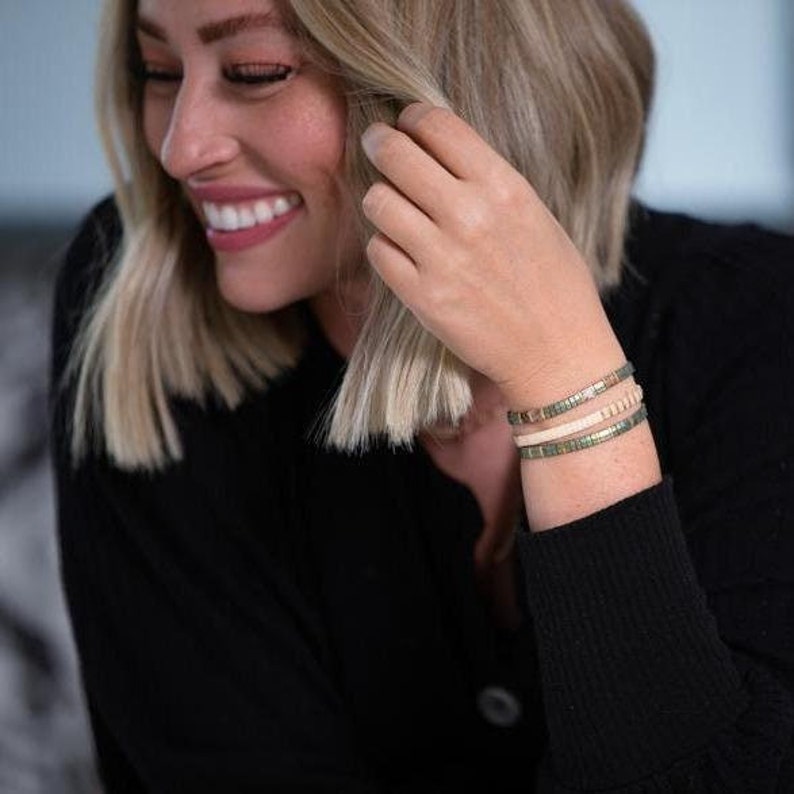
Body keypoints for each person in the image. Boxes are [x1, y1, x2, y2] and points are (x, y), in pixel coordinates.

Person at [50, 0, 794, 790]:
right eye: (159, 72)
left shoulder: (760, 325)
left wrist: (568, 383)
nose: (179, 148)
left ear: (466, 86)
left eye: (255, 73)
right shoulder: (141, 310)